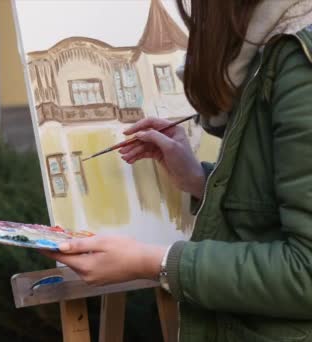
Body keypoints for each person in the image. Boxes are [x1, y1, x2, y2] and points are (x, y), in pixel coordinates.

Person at [41, 1, 312, 341]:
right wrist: (199, 180)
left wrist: (154, 262)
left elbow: (306, 273)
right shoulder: (268, 51)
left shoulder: (298, 63)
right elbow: (278, 204)